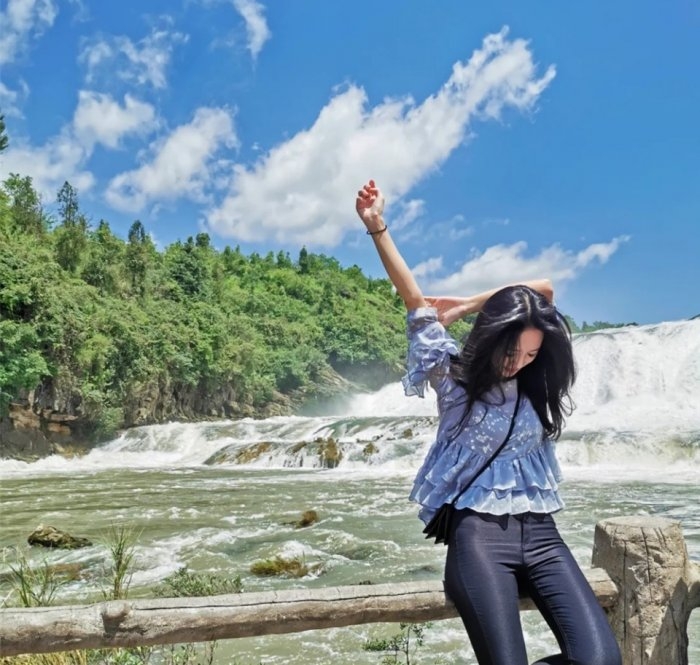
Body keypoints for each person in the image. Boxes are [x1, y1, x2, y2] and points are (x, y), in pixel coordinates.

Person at [355, 179, 621, 665]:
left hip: (541, 535)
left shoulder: (535, 385)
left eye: (531, 354)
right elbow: (415, 302)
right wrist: (378, 227)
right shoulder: (454, 380)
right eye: (512, 350)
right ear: (492, 336)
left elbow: (543, 289)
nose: (518, 362)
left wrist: (466, 303)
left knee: (601, 660)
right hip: (478, 538)